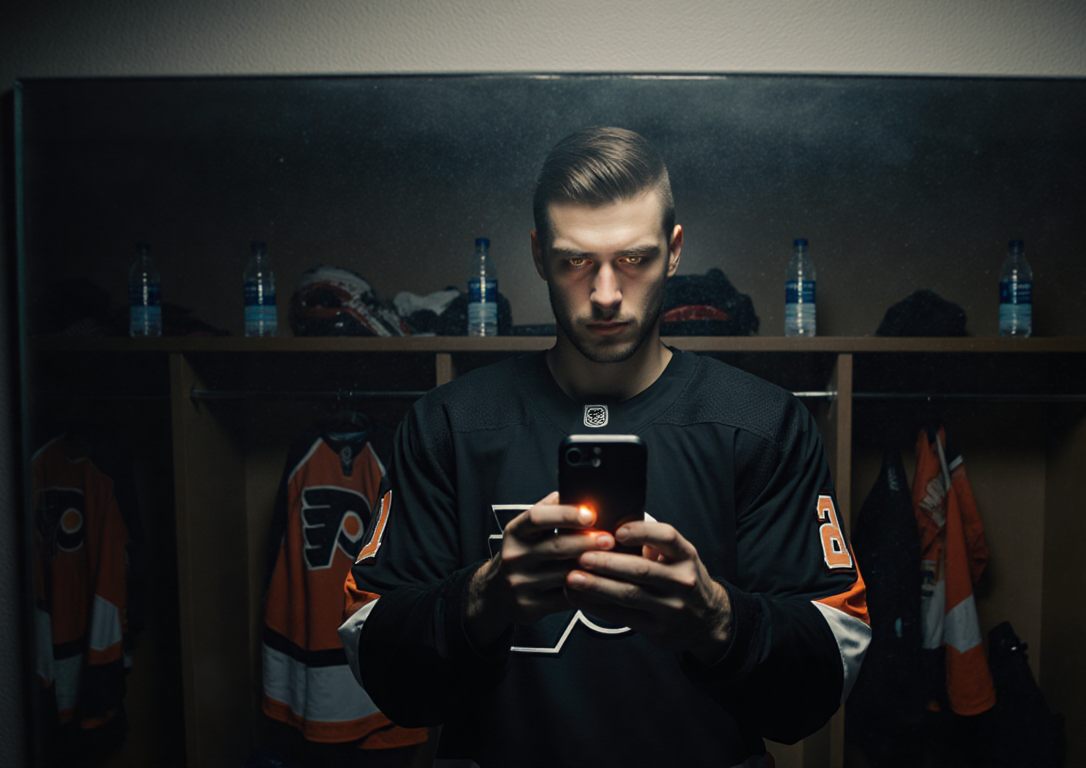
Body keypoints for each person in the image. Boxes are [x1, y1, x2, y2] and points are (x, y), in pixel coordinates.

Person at [339, 126, 870, 768]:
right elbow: (377, 659)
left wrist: (716, 618)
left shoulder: (762, 423)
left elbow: (824, 676)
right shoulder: (449, 424)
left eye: (634, 259)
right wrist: (483, 598)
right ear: (539, 255)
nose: (607, 294)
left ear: (674, 252)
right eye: (576, 261)